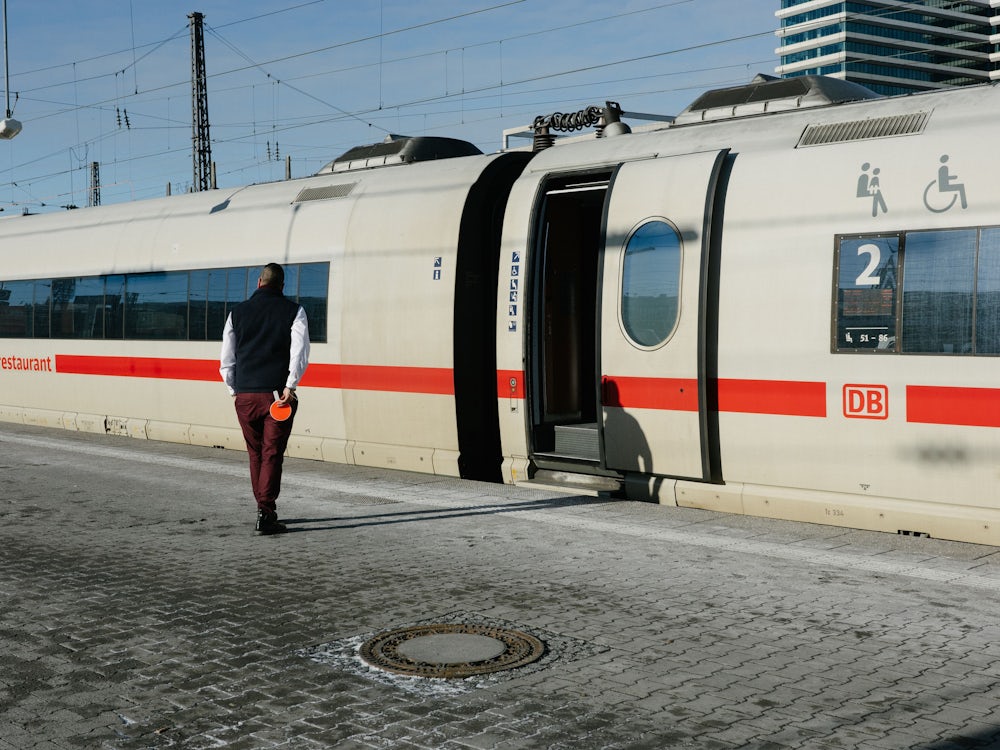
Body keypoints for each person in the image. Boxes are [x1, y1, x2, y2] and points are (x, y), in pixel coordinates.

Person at [220, 263, 310, 535]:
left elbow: (227, 358)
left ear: (259, 283)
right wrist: (290, 385)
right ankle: (266, 512)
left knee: (255, 452)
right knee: (272, 453)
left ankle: (263, 508)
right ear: (282, 286)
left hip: (246, 396)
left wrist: (235, 390)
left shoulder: (237, 312)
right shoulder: (295, 311)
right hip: (276, 396)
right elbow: (300, 351)